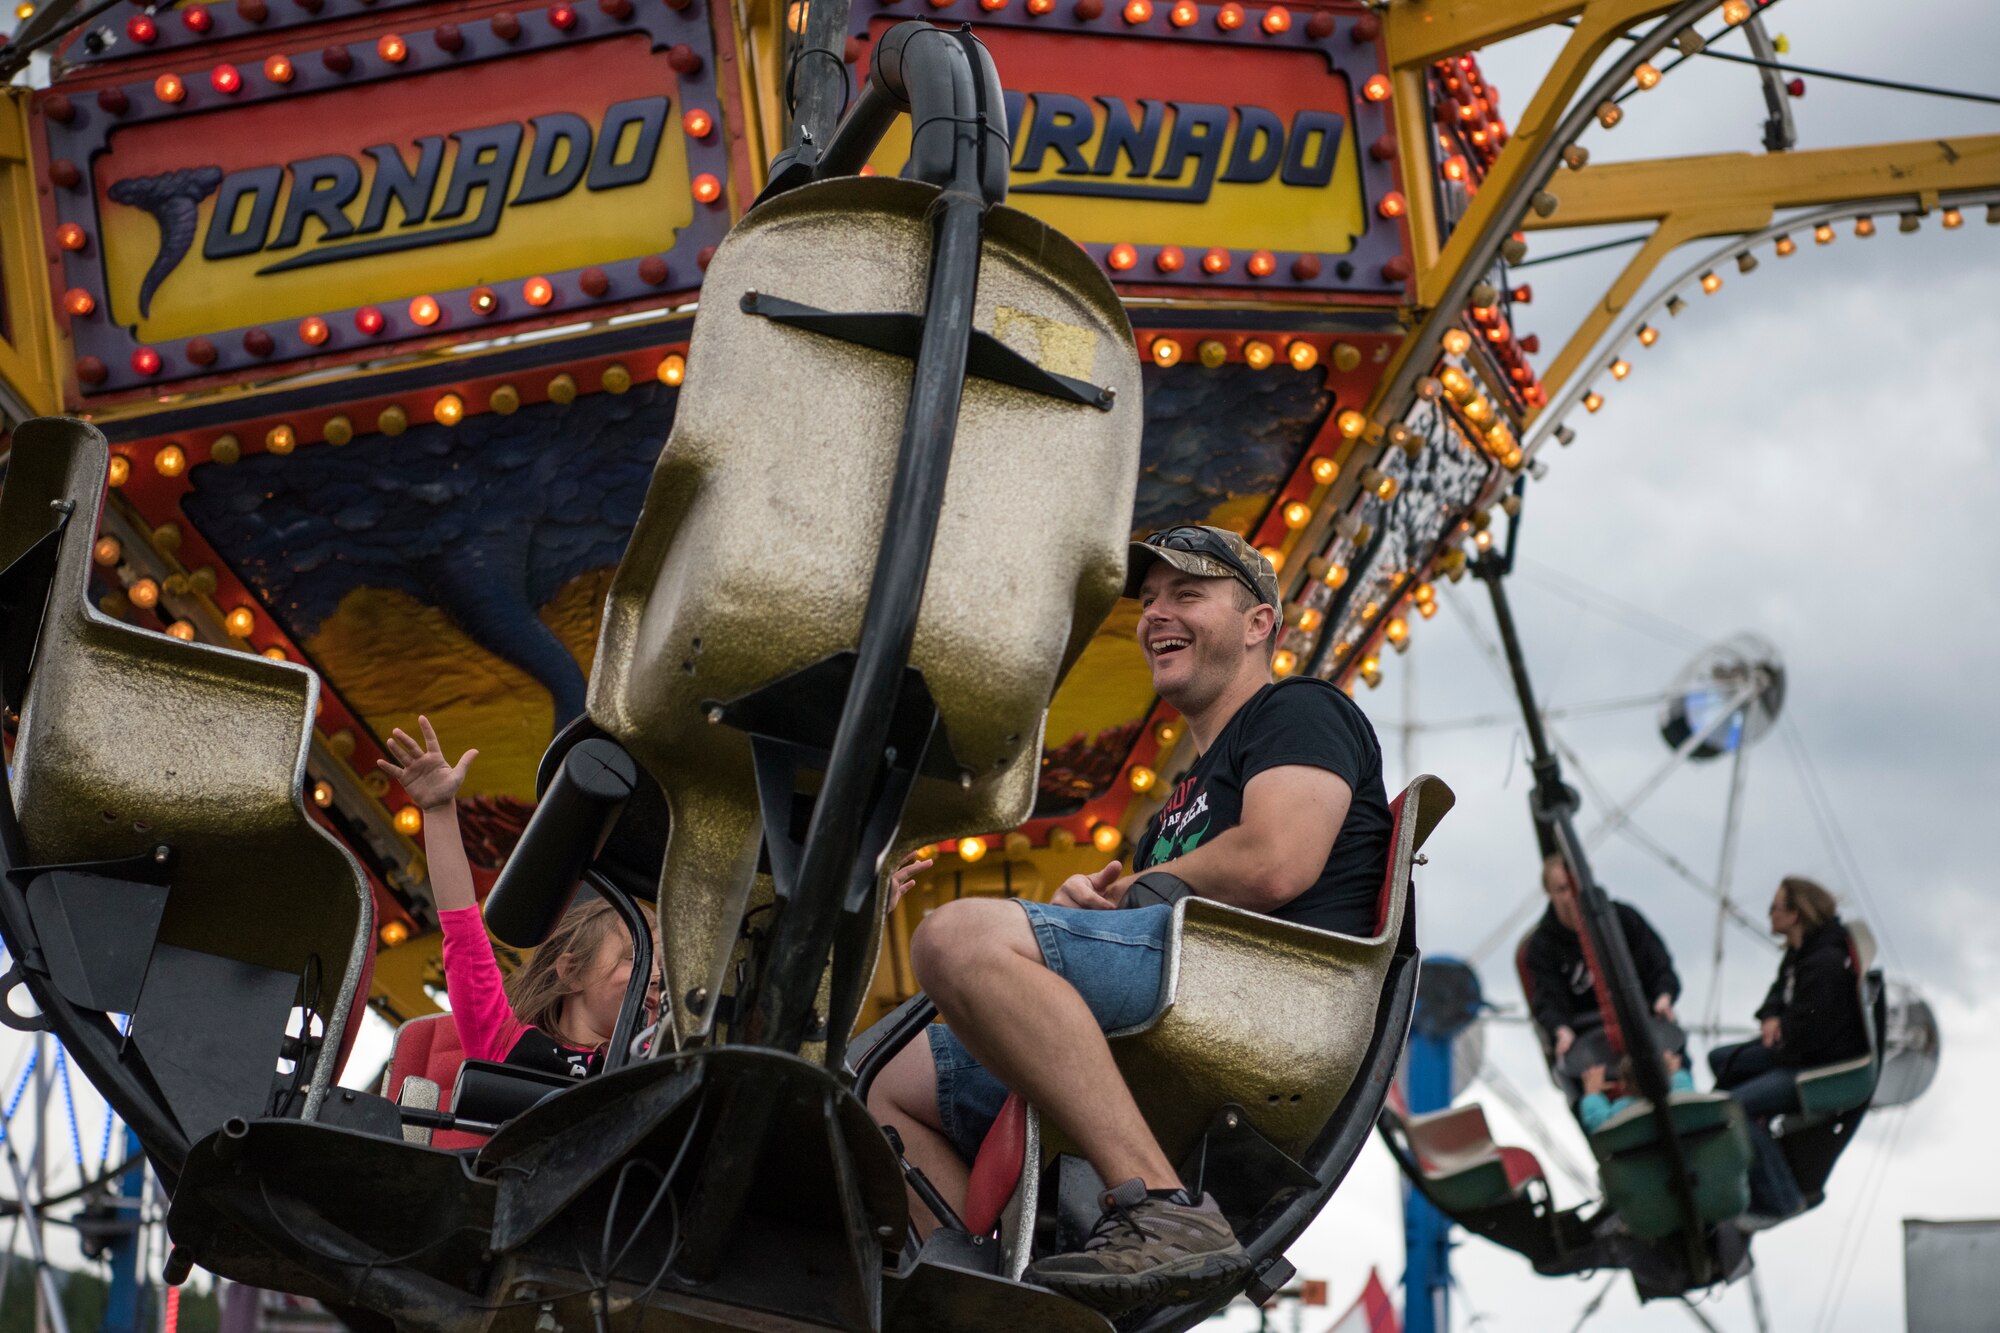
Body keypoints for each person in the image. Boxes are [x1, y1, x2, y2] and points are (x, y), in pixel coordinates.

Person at [867, 525, 1393, 1312]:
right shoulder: (1178, 800)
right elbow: (1166, 891)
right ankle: (985, 1287)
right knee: (874, 1077)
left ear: (1259, 625)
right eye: (1149, 600)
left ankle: (1162, 1210)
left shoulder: (1299, 711)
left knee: (954, 936)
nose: (1157, 614)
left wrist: (1139, 885)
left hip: (1261, 999)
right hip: (1180, 996)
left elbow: (1279, 859)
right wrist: (1108, 904)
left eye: (1188, 593)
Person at [378, 717, 658, 1079]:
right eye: (636, 957)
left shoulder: (657, 1069)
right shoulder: (507, 1045)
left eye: (665, 971)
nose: (655, 978)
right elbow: (464, 936)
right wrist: (437, 811)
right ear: (571, 972)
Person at [1708, 876, 1868, 1116]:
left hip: (1815, 1067)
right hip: (1794, 1050)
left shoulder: (1825, 962)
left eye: (1774, 908)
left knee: (1733, 1108)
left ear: (1794, 915)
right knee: (1720, 1060)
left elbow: (1813, 1038)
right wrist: (1771, 1016)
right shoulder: (1801, 950)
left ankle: (1763, 1149)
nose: (1769, 914)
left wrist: (1780, 1038)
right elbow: (1780, 988)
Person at [1522, 855, 1681, 1072]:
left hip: (1641, 1021)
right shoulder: (1542, 946)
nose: (1573, 897)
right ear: (1550, 894)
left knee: (1673, 1053)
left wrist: (1663, 997)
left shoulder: (1623, 919)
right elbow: (1548, 1002)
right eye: (1563, 890)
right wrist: (1561, 1030)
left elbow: (1659, 966)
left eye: (1578, 886)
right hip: (1586, 1036)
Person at [1577, 1051, 1695, 1134]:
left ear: (1623, 1086)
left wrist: (1592, 1092)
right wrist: (1673, 1068)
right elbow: (1680, 1083)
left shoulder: (1619, 1116)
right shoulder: (1685, 1098)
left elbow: (1596, 1121)